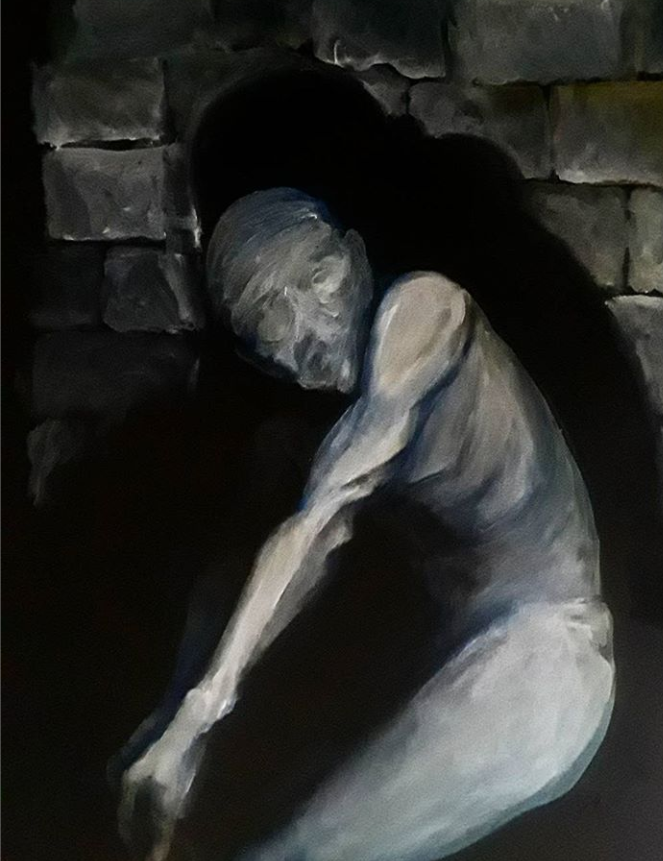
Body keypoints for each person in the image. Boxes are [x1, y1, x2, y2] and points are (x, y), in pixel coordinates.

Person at [118, 188, 615, 861]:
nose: (307, 325)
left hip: (550, 661)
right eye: (271, 318)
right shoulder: (324, 436)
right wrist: (175, 714)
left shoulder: (424, 309)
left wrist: (195, 719)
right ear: (260, 357)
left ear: (355, 255)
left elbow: (317, 525)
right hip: (475, 662)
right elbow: (273, 561)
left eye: (318, 277)